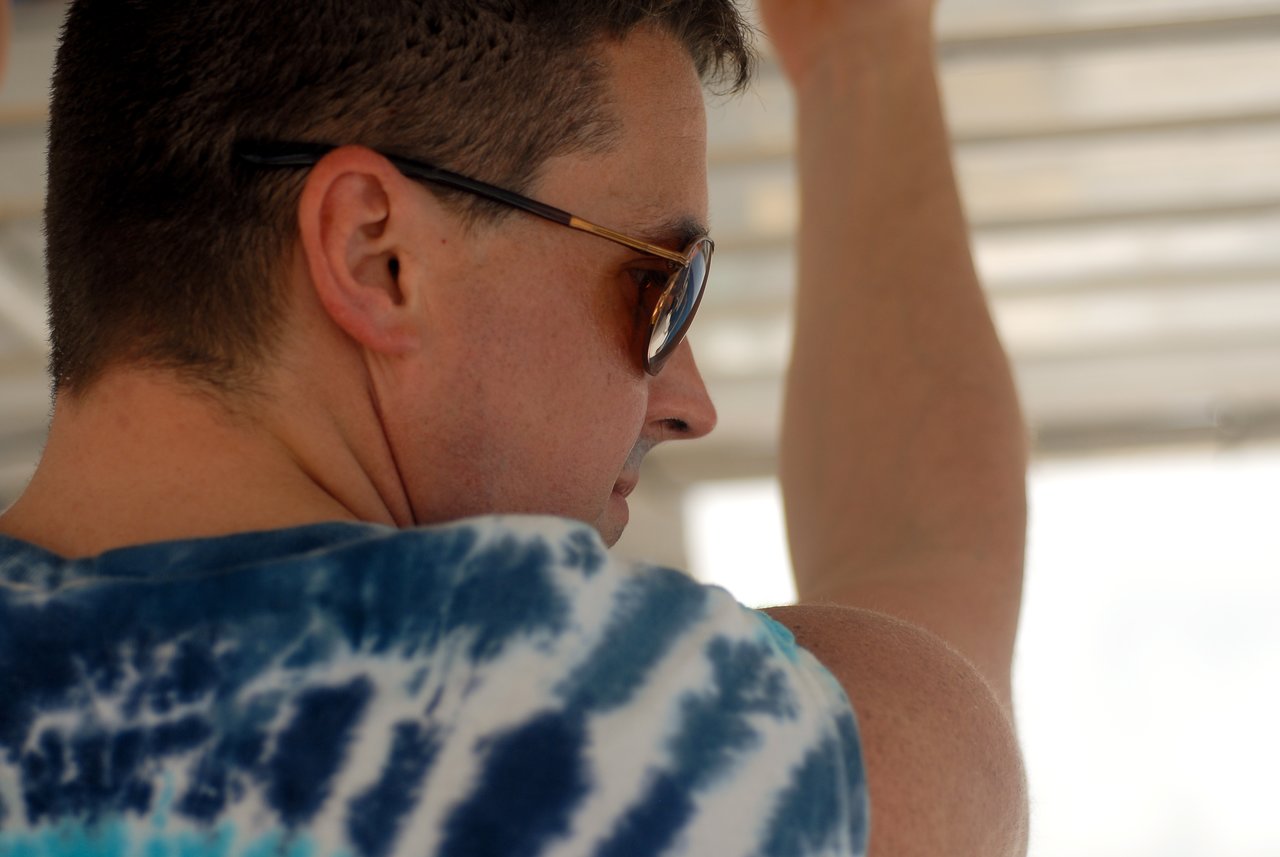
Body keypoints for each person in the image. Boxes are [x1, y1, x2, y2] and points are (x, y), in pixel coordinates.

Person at [0, 0, 1028, 854]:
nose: (688, 402)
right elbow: (931, 636)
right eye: (658, 287)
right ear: (376, 256)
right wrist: (862, 49)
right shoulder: (655, 759)